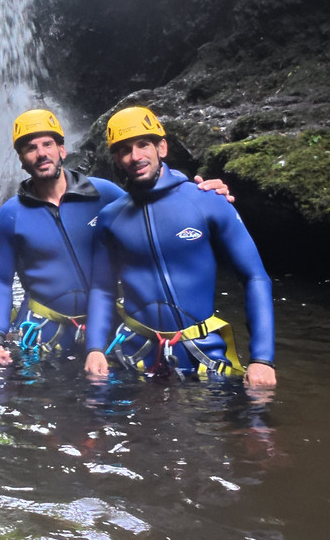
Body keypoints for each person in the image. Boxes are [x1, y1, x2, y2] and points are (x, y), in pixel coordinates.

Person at [0, 109, 231, 365]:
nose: (41, 153)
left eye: (48, 144)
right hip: (45, 332)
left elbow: (153, 207)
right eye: (30, 148)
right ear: (21, 159)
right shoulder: (12, 213)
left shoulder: (104, 193)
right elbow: (0, 280)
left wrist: (201, 192)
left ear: (62, 150)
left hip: (107, 328)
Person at [84, 107, 276, 387]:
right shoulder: (110, 219)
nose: (135, 156)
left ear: (161, 147)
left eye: (143, 144)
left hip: (203, 356)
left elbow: (254, 277)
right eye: (124, 150)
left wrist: (262, 359)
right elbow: (102, 288)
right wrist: (94, 348)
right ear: (116, 159)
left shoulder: (207, 200)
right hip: (136, 359)